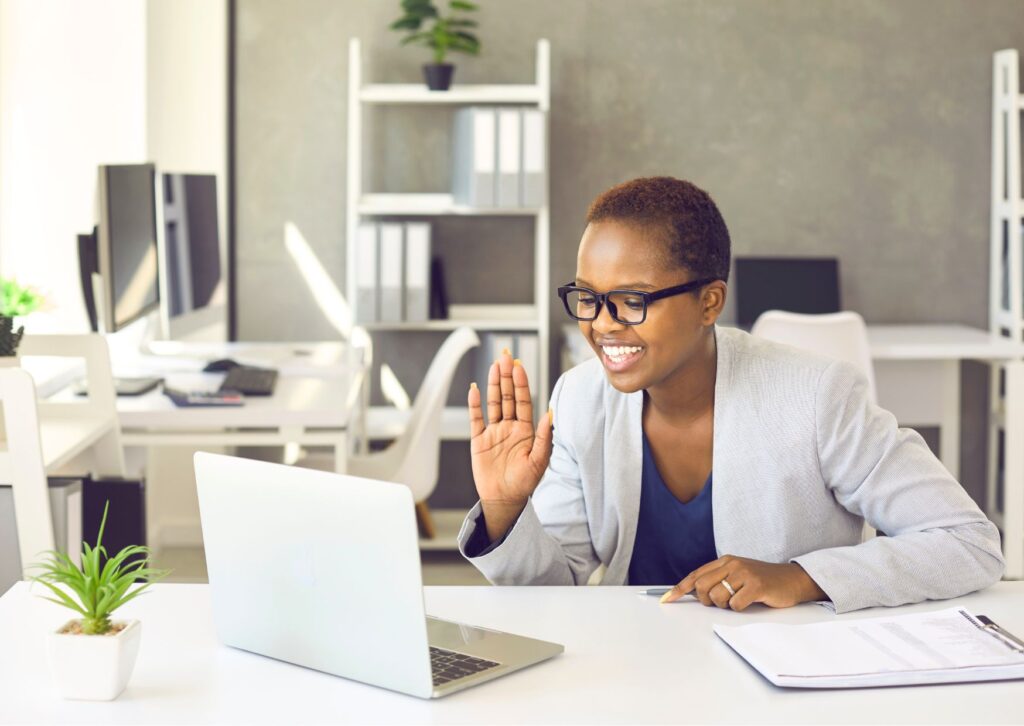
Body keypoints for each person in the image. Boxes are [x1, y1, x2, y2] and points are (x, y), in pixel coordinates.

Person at [458, 176, 1004, 614]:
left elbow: (968, 542)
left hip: (781, 668)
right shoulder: (580, 398)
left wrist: (801, 577)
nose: (601, 325)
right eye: (587, 297)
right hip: (634, 662)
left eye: (630, 300)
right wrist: (506, 511)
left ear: (709, 303)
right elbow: (556, 586)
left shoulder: (815, 396)